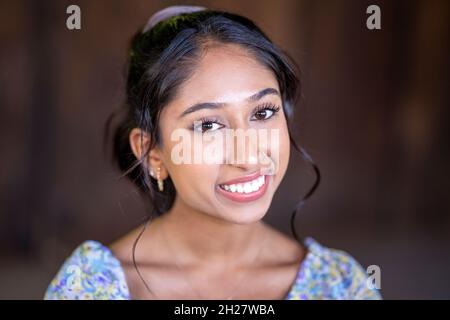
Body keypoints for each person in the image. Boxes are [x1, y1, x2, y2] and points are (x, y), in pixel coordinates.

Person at [44, 5, 381, 300]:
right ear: (151, 153)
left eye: (263, 113)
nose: (248, 157)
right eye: (208, 125)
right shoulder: (89, 288)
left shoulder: (339, 286)